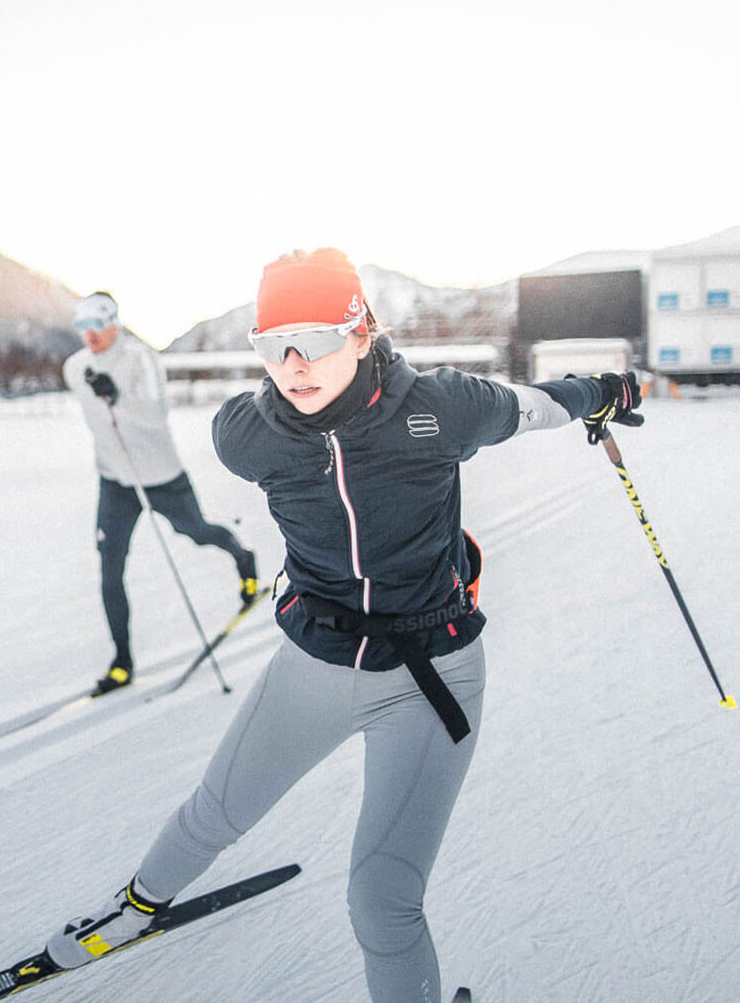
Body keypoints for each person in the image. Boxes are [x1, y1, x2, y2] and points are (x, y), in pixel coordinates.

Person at [45, 250, 644, 1003]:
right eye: (272, 344)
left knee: (381, 899)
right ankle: (133, 908)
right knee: (215, 809)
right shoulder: (248, 433)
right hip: (316, 664)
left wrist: (603, 393)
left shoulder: (441, 407)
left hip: (432, 678)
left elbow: (534, 403)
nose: (293, 365)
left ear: (361, 332)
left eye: (316, 340)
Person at [61, 291, 260, 696]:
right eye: (82, 326)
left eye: (96, 324)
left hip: (162, 477)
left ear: (114, 322)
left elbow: (154, 412)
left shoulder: (140, 358)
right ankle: (122, 662)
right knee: (110, 563)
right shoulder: (75, 367)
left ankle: (244, 558)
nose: (90, 334)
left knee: (197, 533)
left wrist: (116, 394)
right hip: (116, 481)